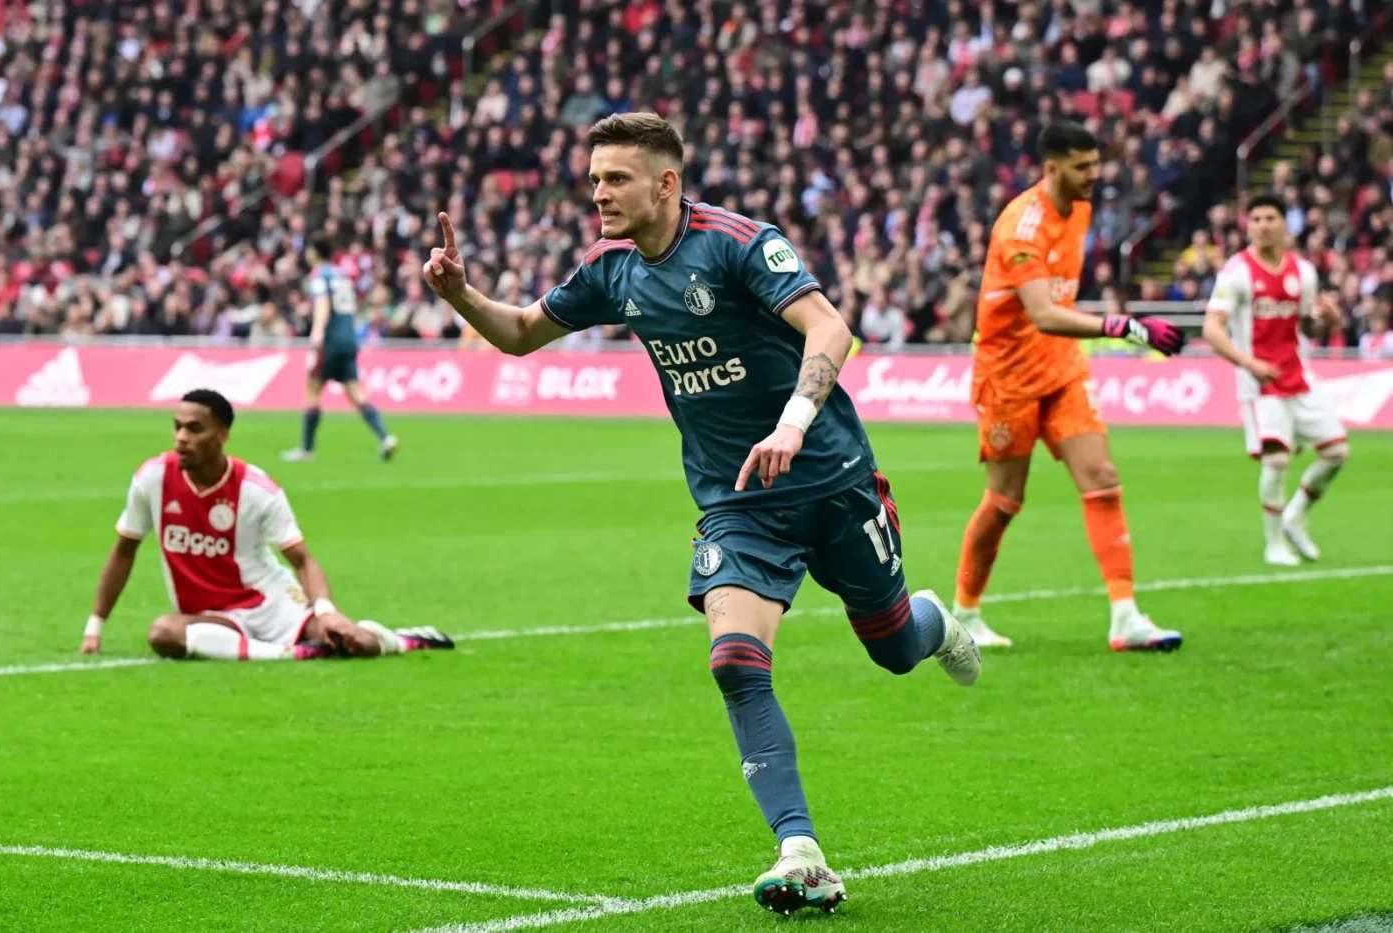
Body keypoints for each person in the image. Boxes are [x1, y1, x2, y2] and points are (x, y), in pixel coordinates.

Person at [422, 112, 980, 916]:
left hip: (831, 479)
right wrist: (460, 294)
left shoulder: (739, 244)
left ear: (665, 183)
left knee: (893, 648)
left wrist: (792, 423)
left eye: (615, 178)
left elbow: (830, 325)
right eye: (594, 178)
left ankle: (933, 620)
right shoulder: (611, 267)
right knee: (735, 661)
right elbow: (517, 334)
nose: (599, 193)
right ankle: (801, 850)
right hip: (737, 502)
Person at [953, 121, 1187, 652]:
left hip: (1061, 367)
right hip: (1008, 375)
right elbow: (1043, 312)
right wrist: (1124, 327)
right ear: (1052, 167)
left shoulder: (1079, 209)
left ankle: (1125, 617)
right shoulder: (1022, 228)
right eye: (1082, 167)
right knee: (1004, 499)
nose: (1094, 174)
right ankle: (964, 611)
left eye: (1096, 163)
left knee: (1101, 477)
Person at [80, 389, 452, 660]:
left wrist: (326, 610)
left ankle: (403, 640)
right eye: (177, 427)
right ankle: (288, 655)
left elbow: (302, 560)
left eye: (194, 429)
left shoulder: (257, 490)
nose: (181, 438)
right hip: (212, 617)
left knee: (356, 643)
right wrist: (95, 627)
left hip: (272, 606)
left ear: (222, 435)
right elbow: (124, 551)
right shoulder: (153, 478)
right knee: (164, 633)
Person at [1202, 193, 1349, 565]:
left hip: (1299, 376)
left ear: (1284, 224)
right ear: (1247, 226)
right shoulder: (1236, 272)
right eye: (1256, 219)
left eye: (1270, 218)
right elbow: (1212, 329)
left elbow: (1308, 327)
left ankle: (1294, 516)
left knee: (1336, 453)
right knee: (1278, 461)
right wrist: (1248, 362)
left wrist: (1330, 321)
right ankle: (1274, 544)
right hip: (1260, 385)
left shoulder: (1304, 272)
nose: (1263, 226)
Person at [281, 235, 399, 462]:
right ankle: (385, 437)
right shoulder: (342, 275)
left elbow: (323, 305)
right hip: (348, 339)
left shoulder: (319, 276)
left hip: (329, 341)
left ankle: (306, 449)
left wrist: (316, 334)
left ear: (315, 252)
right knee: (355, 392)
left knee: (313, 390)